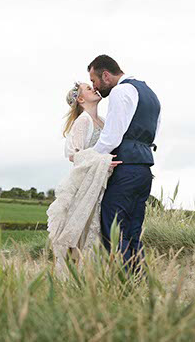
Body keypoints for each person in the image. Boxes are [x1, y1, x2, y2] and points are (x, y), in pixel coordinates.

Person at [88, 55, 161, 273]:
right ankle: (138, 284)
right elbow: (153, 133)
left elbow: (111, 138)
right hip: (144, 169)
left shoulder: (121, 92)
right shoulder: (151, 95)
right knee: (133, 232)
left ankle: (121, 286)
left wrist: (88, 160)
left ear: (106, 75)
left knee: (113, 229)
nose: (95, 87)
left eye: (94, 81)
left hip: (125, 168)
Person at [47, 82, 121, 273]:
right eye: (88, 89)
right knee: (82, 230)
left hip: (101, 180)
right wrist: (102, 161)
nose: (94, 89)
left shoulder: (103, 121)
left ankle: (92, 275)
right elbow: (74, 155)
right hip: (86, 182)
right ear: (81, 99)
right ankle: (76, 277)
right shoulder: (83, 121)